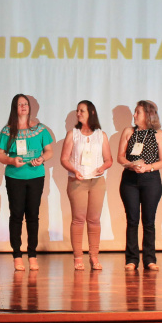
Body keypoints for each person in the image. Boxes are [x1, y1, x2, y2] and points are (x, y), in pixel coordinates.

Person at [0, 94, 54, 271]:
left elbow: (49, 151)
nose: (23, 107)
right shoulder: (7, 130)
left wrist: (42, 158)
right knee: (16, 215)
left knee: (33, 215)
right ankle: (17, 255)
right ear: (15, 108)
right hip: (15, 177)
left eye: (25, 104)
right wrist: (12, 161)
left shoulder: (40, 129)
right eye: (20, 104)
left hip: (36, 176)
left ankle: (33, 254)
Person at [60, 100, 113, 270]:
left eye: (81, 110)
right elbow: (64, 159)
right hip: (77, 181)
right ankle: (77, 257)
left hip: (97, 181)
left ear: (91, 112)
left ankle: (94, 257)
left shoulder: (101, 135)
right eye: (77, 111)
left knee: (94, 220)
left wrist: (103, 167)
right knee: (78, 219)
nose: (78, 113)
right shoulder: (72, 134)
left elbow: (109, 159)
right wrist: (74, 170)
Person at [116, 100, 162, 272]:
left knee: (149, 221)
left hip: (151, 179)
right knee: (132, 220)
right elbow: (120, 157)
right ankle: (131, 259)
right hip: (130, 179)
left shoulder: (158, 134)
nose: (134, 115)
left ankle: (150, 259)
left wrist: (148, 167)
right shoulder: (129, 132)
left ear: (148, 114)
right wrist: (131, 165)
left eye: (138, 112)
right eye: (135, 112)